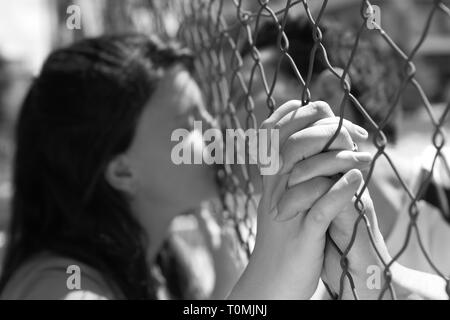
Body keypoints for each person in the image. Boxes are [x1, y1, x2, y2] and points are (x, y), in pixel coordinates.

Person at [0, 33, 446, 300]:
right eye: (190, 122)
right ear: (121, 172)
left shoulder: (154, 260)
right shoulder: (59, 287)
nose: (220, 131)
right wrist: (269, 274)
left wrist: (230, 281)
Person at [237, 17, 450, 294]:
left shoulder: (443, 186)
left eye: (244, 97)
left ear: (327, 92)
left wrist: (387, 280)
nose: (226, 125)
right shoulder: (289, 255)